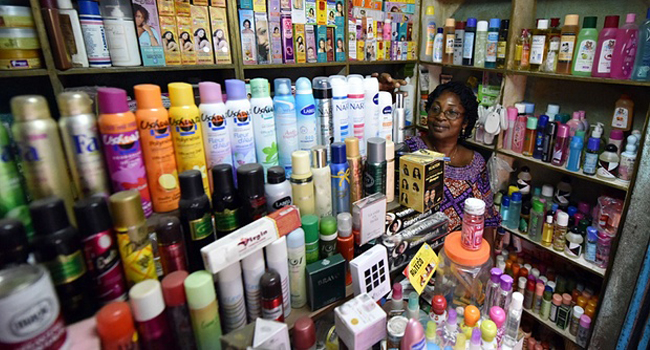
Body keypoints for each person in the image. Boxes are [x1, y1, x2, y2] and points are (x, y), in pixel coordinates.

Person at [403, 81, 500, 233]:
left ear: (465, 122)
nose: (440, 117)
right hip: (415, 248)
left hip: (459, 249)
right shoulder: (410, 149)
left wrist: (488, 256)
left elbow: (486, 217)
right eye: (435, 109)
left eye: (452, 112)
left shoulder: (475, 163)